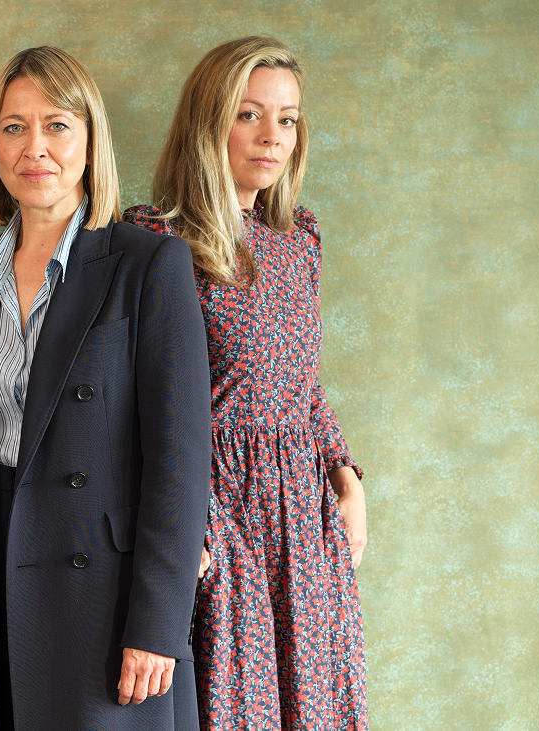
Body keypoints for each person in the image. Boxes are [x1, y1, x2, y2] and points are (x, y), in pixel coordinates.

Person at [0, 46, 213, 731]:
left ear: (90, 139)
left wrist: (158, 622)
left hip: (103, 597)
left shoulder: (148, 263)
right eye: (14, 127)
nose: (34, 146)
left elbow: (180, 463)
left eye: (57, 125)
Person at [123, 36, 368, 730]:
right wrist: (190, 524)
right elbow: (143, 403)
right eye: (249, 114)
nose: (272, 137)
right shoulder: (154, 240)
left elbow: (305, 382)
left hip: (305, 513)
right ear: (208, 122)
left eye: (287, 119)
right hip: (214, 507)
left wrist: (348, 476)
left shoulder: (300, 238)